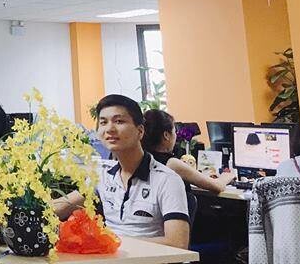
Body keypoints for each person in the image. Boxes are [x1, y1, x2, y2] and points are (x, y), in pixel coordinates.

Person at [53, 95, 190, 249]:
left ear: (140, 131)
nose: (109, 129)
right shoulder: (102, 175)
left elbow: (178, 243)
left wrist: (112, 241)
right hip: (110, 255)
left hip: (147, 257)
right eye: (103, 122)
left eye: (119, 121)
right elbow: (62, 206)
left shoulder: (167, 180)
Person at [142, 109, 235, 194]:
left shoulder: (144, 159)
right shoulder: (171, 164)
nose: (176, 136)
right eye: (174, 131)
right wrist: (227, 176)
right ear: (166, 135)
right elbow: (218, 186)